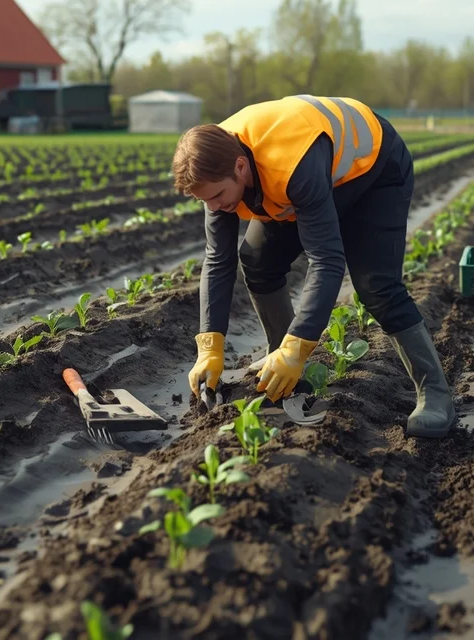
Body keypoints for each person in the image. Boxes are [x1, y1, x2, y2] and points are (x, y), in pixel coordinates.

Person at [170, 95, 455, 438]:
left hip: (375, 172)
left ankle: (435, 394)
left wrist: (300, 346)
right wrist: (209, 348)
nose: (214, 207)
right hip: (312, 176)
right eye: (205, 202)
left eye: (217, 196)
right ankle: (282, 363)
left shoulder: (289, 165)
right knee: (259, 260)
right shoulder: (214, 167)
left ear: (240, 167)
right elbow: (218, 259)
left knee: (377, 286)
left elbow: (327, 259)